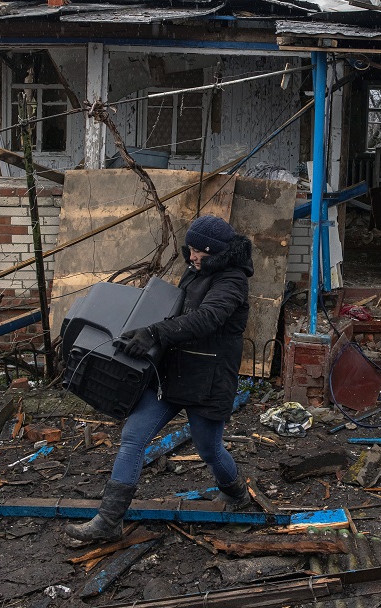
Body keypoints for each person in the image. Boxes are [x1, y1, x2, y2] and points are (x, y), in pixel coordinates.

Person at [66, 214, 254, 542]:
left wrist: (154, 332)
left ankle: (237, 494)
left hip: (208, 380)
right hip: (170, 373)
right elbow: (174, 311)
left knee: (208, 449)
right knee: (133, 437)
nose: (192, 256)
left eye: (199, 252)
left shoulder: (233, 280)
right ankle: (109, 520)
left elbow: (206, 318)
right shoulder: (196, 272)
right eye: (190, 249)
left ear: (217, 251)